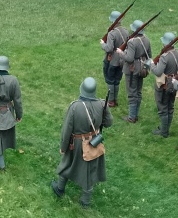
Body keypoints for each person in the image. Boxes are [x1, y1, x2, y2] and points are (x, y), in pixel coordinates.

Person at [52, 77, 113, 209]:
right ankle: (85, 202)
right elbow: (108, 123)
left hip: (77, 143)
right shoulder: (103, 104)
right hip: (94, 142)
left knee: (67, 163)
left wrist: (63, 147)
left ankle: (60, 188)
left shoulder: (75, 106)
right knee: (89, 170)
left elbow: (67, 130)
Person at [146, 32, 178, 138]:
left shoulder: (164, 57)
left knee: (163, 108)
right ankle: (165, 128)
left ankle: (164, 132)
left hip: (164, 85)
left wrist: (152, 65)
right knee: (170, 107)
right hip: (174, 83)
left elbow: (158, 72)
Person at [116, 20, 152, 123]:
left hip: (132, 69)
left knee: (132, 93)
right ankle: (135, 114)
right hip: (142, 68)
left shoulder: (132, 42)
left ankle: (132, 117)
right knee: (138, 92)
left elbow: (129, 58)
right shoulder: (147, 39)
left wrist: (120, 52)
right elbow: (149, 56)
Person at [100, 11, 129, 107]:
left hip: (112, 60)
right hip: (122, 60)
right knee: (117, 80)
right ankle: (114, 99)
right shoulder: (126, 31)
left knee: (109, 80)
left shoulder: (112, 33)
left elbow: (109, 48)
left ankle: (111, 101)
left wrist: (102, 44)